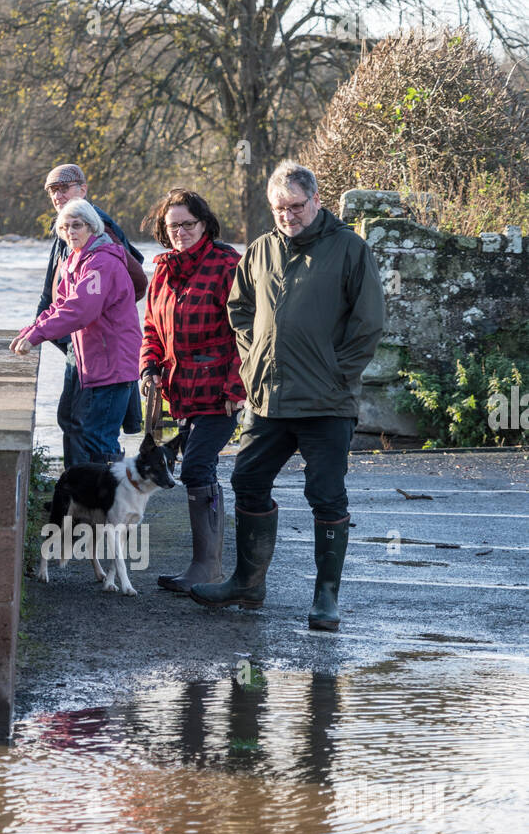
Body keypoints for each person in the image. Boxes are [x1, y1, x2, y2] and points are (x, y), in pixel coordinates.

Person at [190, 159, 385, 631]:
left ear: (316, 200)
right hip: (268, 400)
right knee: (247, 481)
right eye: (279, 208)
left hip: (326, 403)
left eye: (296, 206)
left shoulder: (350, 249)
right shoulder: (260, 250)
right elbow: (238, 309)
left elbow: (368, 324)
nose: (288, 216)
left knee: (326, 496)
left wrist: (337, 375)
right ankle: (247, 583)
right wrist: (252, 358)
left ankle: (326, 599)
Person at [138, 188, 244, 593]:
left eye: (188, 224)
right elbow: (151, 327)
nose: (180, 232)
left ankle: (207, 568)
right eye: (173, 226)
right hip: (176, 391)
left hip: (220, 389)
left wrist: (237, 384)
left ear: (205, 224)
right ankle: (207, 566)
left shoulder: (227, 264)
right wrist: (148, 364)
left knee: (197, 466)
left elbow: (247, 332)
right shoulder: (163, 270)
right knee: (196, 469)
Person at [11, 199, 141, 462]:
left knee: (99, 440)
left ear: (92, 227)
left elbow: (80, 311)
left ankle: (110, 502)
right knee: (91, 436)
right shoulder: (75, 260)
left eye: (77, 225)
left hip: (112, 365)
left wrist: (37, 336)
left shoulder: (101, 263)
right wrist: (30, 329)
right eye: (65, 227)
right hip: (96, 364)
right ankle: (93, 500)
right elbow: (59, 305)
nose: (70, 232)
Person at [36, 163, 147, 467]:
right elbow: (61, 298)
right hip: (84, 345)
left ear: (83, 190)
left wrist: (108, 313)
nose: (58, 195)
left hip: (103, 350)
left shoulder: (98, 230)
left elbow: (86, 304)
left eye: (65, 187)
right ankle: (78, 492)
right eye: (52, 190)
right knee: (73, 422)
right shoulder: (70, 229)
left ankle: (99, 503)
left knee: (93, 431)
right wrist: (40, 326)